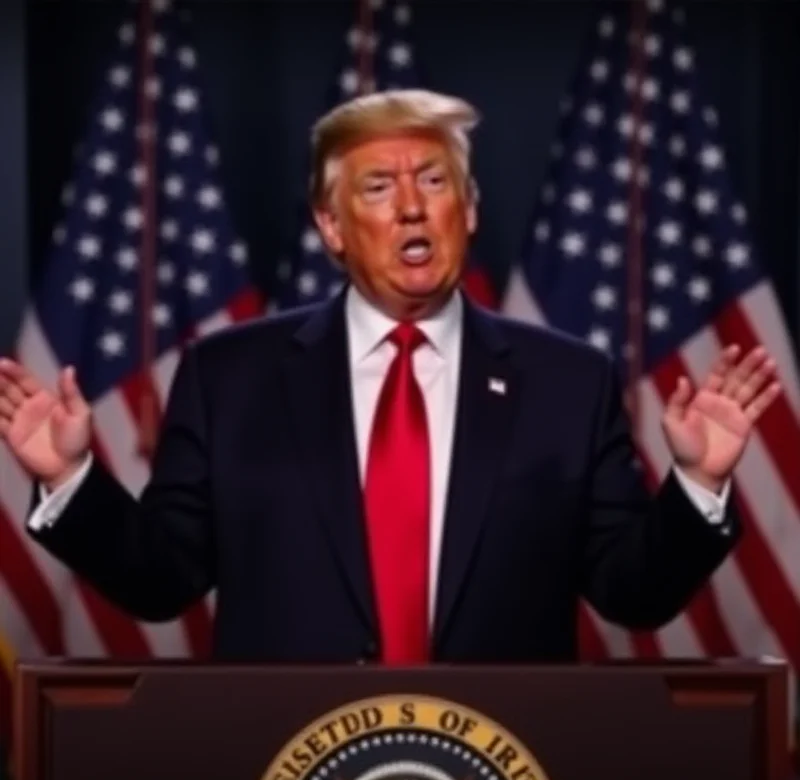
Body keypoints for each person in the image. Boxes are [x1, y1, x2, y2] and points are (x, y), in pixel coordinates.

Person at [0, 90, 781, 665]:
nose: (412, 208)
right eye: (379, 188)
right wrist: (70, 478)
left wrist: (697, 486)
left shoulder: (567, 382)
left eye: (435, 183)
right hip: (292, 761)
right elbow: (162, 577)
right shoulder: (230, 377)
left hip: (495, 762)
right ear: (332, 226)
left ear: (469, 209)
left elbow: (629, 592)